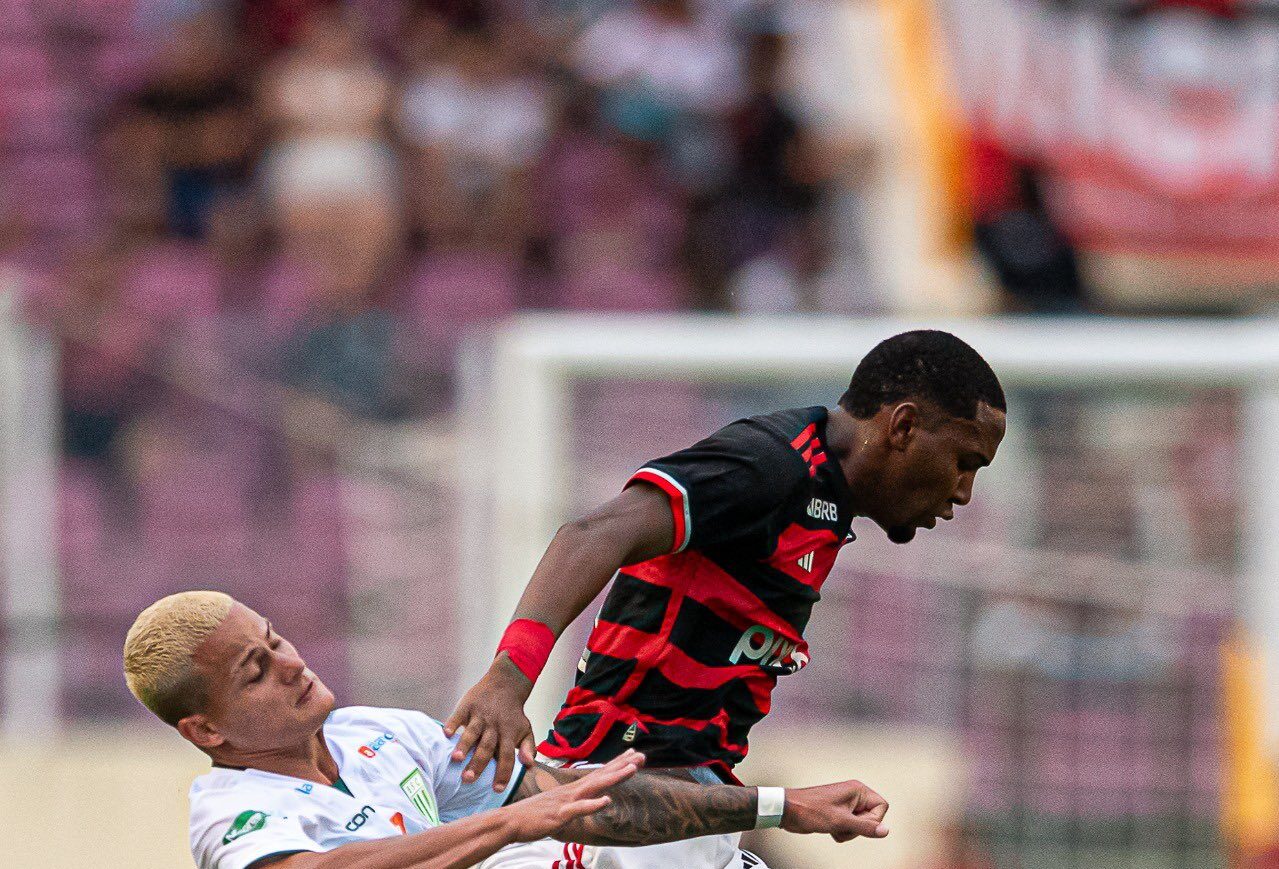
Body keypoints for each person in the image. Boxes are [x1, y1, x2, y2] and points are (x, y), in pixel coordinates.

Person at [447, 329, 1006, 866]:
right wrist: (507, 680)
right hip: (609, 805)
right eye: (964, 462)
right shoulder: (770, 466)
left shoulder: (826, 498)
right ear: (903, 427)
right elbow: (594, 534)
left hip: (685, 813)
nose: (963, 492)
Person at [124, 591, 893, 869]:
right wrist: (509, 824)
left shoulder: (376, 733)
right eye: (255, 671)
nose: (290, 664)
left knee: (687, 851)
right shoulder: (231, 812)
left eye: (276, 639)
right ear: (206, 728)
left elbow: (577, 803)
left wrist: (779, 808)